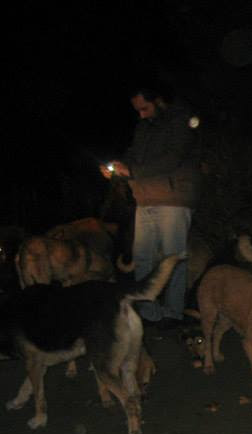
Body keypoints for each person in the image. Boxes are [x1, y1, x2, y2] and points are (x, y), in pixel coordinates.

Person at [100, 87, 198, 325]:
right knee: (143, 258)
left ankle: (173, 313)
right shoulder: (143, 127)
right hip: (144, 199)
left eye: (145, 108)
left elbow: (173, 158)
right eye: (137, 111)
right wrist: (118, 167)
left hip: (173, 198)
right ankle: (147, 312)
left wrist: (133, 171)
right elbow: (133, 155)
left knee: (172, 259)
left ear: (159, 100)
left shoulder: (179, 120)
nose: (141, 115)